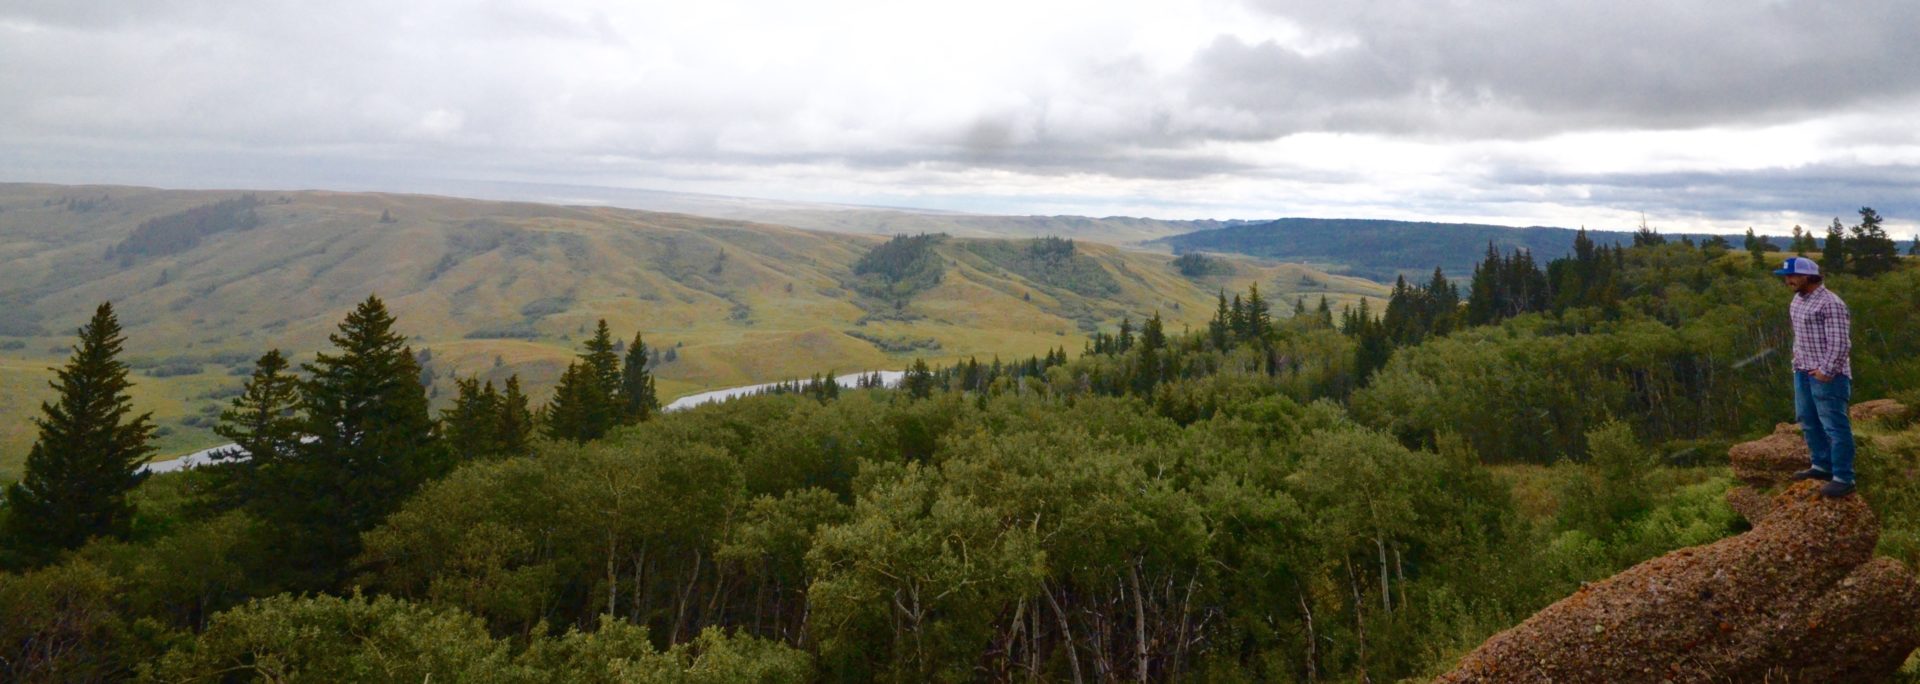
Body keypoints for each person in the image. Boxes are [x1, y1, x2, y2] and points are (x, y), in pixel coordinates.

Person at [1774, 256, 1855, 498]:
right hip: (1803, 370)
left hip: (1829, 375)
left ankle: (1843, 477)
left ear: (1808, 276)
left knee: (1834, 426)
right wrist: (1797, 364)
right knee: (1807, 419)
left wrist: (1826, 372)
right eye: (1786, 276)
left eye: (1792, 276)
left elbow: (1840, 343)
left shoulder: (1831, 304)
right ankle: (1821, 466)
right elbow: (1800, 337)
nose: (1787, 280)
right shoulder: (1797, 301)